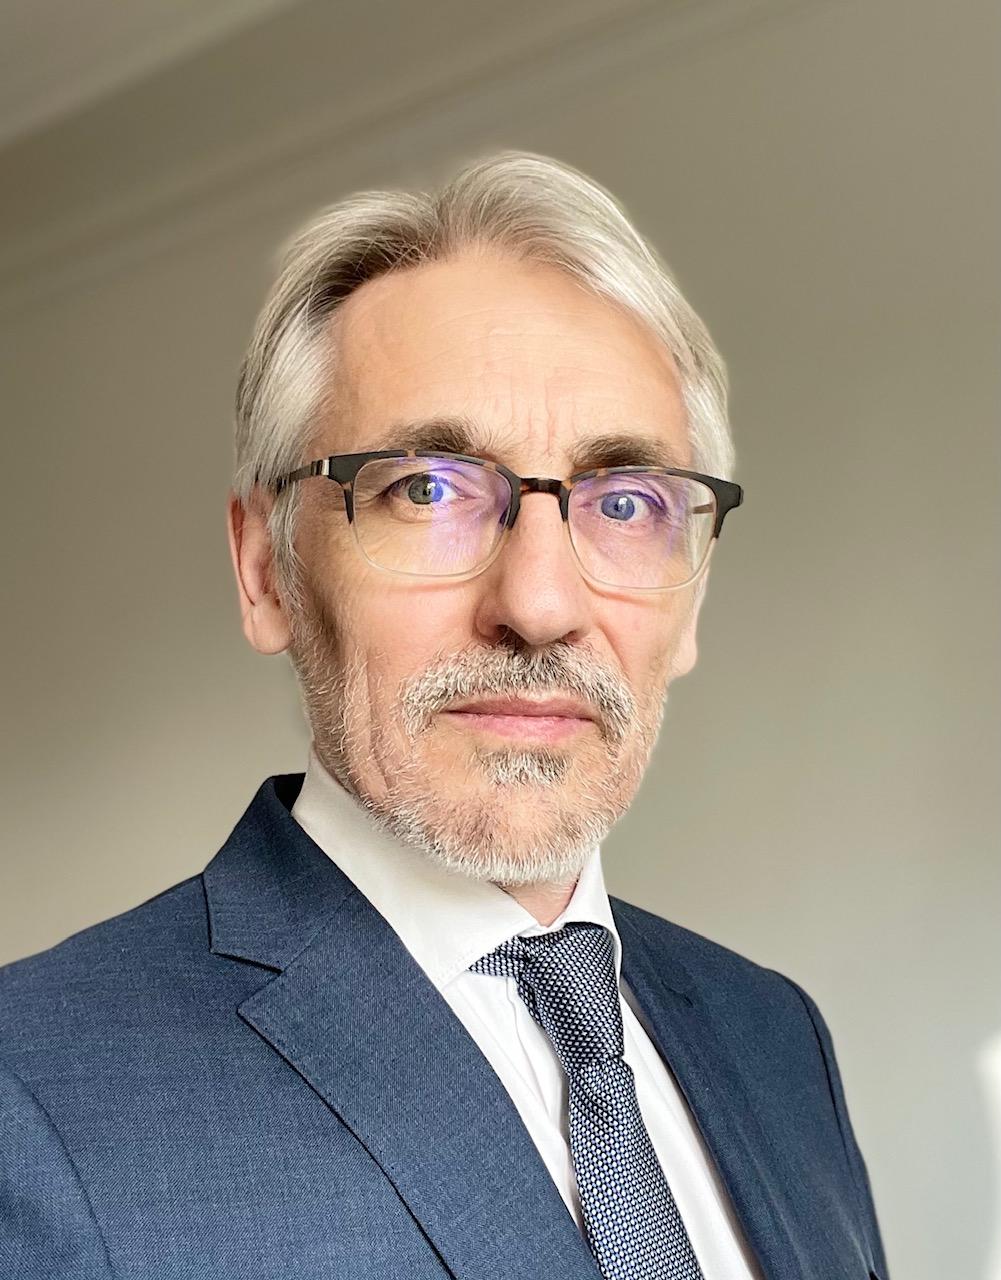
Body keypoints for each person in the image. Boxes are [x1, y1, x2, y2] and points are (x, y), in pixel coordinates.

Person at [0, 152, 888, 1280]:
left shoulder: (774, 1036)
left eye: (624, 502)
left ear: (693, 595)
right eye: (427, 489)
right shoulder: (31, 1094)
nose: (539, 603)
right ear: (266, 571)